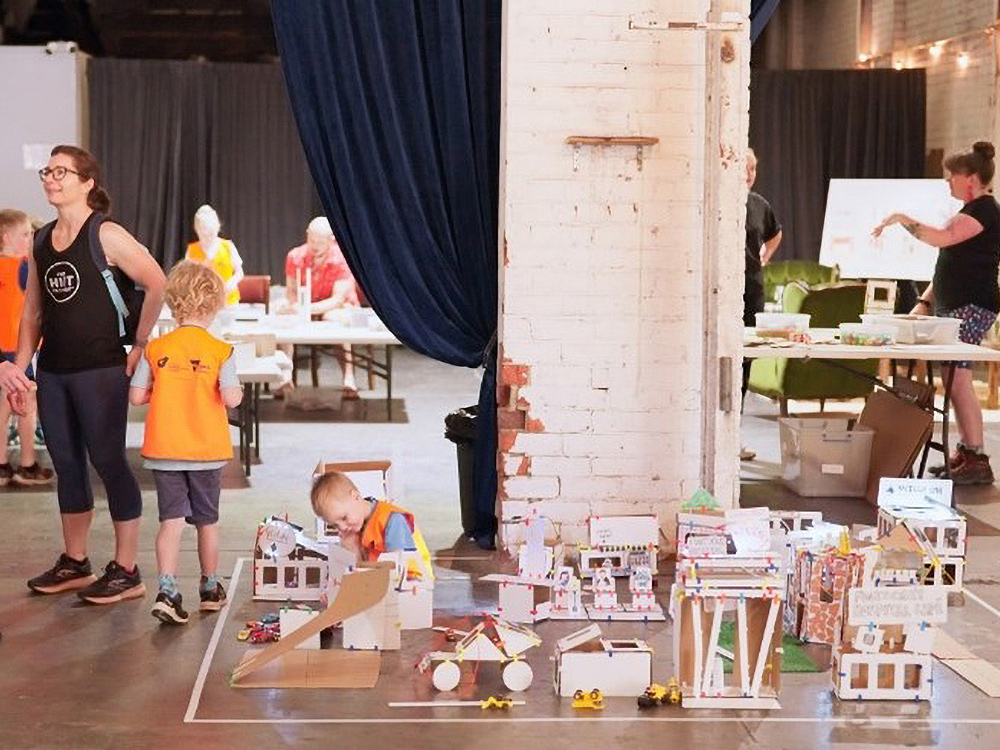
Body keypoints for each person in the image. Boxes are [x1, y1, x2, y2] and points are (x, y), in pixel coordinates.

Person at [0, 145, 166, 603]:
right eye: (47, 171)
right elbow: (32, 310)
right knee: (67, 465)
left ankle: (127, 570)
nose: (51, 178)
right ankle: (75, 562)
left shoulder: (106, 234)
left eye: (61, 171)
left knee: (109, 462)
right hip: (54, 371)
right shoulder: (39, 240)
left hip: (101, 369)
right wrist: (19, 366)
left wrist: (141, 344)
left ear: (87, 182)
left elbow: (157, 283)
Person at [873, 140, 1000, 484]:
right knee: (953, 379)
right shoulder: (972, 210)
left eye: (952, 177)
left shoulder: (985, 210)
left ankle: (977, 457)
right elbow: (949, 263)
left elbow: (940, 239)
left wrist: (900, 218)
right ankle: (969, 451)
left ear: (971, 178)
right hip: (955, 305)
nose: (948, 183)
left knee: (958, 379)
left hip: (972, 306)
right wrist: (926, 301)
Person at [129, 261, 243, 625]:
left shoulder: (156, 348)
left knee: (171, 523)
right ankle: (210, 588)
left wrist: (162, 395)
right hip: (206, 452)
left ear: (174, 304)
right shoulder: (220, 351)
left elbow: (135, 397)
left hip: (165, 451)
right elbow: (231, 398)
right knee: (207, 522)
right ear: (213, 306)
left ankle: (167, 589)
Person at [0, 209, 53, 486]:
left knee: (3, 406)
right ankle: (28, 464)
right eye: (25, 234)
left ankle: (2, 464)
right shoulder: (23, 267)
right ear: (7, 237)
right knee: (26, 405)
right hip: (19, 350)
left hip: (2, 353)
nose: (29, 239)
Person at [283, 216, 360, 396]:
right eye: (312, 240)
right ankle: (285, 378)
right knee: (284, 318)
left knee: (334, 318)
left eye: (320, 241)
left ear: (331, 240)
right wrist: (295, 306)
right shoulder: (295, 256)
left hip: (336, 307)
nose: (315, 245)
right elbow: (291, 291)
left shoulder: (342, 259)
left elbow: (338, 300)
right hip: (306, 304)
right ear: (307, 235)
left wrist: (308, 310)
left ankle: (349, 378)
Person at [741, 148, 783, 461]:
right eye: (743, 167)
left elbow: (775, 233)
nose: (748, 174)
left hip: (752, 291)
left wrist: (765, 258)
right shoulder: (720, 201)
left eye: (753, 168)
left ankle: (735, 435)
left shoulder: (759, 204)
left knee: (744, 364)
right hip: (722, 292)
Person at [310, 470, 430, 576]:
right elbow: (359, 570)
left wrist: (366, 573)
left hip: (415, 584)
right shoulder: (358, 525)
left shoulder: (391, 520)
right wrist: (352, 549)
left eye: (344, 518)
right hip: (385, 585)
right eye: (335, 525)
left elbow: (402, 566)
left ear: (355, 497)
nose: (342, 527)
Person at [185, 204, 243, 306]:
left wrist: (231, 283)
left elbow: (239, 272)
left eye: (211, 234)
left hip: (228, 302)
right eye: (204, 234)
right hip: (201, 303)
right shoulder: (192, 250)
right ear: (197, 230)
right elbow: (187, 276)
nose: (208, 238)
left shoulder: (228, 246)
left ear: (217, 228)